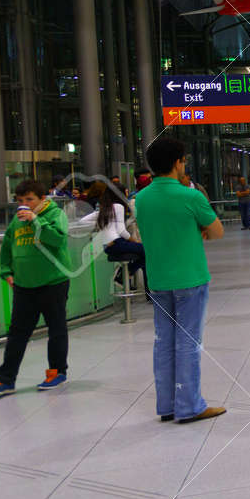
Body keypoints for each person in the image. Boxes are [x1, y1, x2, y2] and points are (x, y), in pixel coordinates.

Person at [134, 136, 226, 423]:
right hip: (189, 277)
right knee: (188, 342)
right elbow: (217, 231)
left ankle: (168, 405)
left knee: (163, 341)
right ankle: (189, 405)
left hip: (158, 279)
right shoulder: (191, 196)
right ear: (177, 163)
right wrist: (199, 230)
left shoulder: (141, 198)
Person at [0, 180, 71, 397]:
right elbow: (7, 247)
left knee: (56, 329)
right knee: (17, 333)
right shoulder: (16, 220)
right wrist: (7, 272)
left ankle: (57, 372)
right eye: (21, 200)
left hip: (54, 283)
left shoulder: (54, 215)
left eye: (30, 200)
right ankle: (6, 379)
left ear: (42, 199)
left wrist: (35, 220)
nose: (25, 204)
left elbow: (57, 240)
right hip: (24, 286)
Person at [83, 184, 146, 292]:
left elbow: (82, 221)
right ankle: (122, 276)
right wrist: (135, 241)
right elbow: (122, 231)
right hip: (117, 243)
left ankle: (123, 275)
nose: (127, 194)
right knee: (148, 251)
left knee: (143, 251)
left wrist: (100, 228)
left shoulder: (104, 207)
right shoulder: (118, 206)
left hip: (107, 246)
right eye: (125, 192)